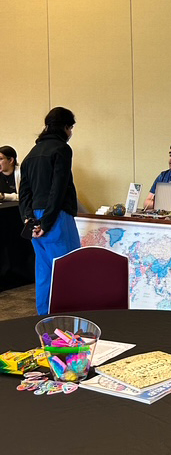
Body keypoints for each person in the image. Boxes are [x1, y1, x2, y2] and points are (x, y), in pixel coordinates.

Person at [19, 107, 81, 315]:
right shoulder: (62, 149)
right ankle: (69, 320)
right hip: (57, 217)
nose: (70, 133)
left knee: (44, 271)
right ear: (65, 127)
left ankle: (45, 318)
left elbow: (24, 192)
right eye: (70, 128)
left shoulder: (31, 154)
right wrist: (46, 222)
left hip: (35, 216)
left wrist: (29, 219)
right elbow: (59, 189)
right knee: (68, 269)